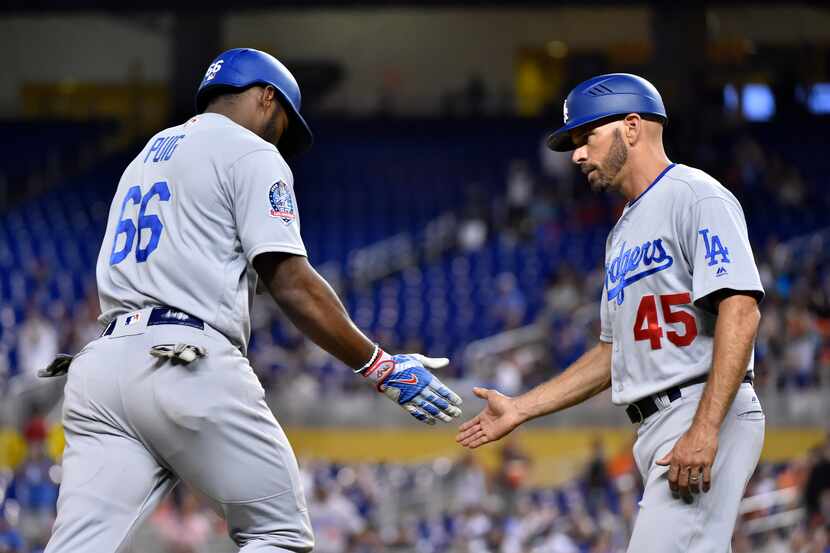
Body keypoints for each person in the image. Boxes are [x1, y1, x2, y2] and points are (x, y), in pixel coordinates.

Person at [43, 48, 462, 553]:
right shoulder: (251, 151)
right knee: (277, 533)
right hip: (181, 362)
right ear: (267, 98)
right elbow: (289, 280)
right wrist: (379, 366)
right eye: (285, 119)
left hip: (101, 368)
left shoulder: (145, 154)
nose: (282, 134)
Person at [457, 73, 765, 552]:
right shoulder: (621, 232)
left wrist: (705, 428)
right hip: (657, 422)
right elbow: (611, 354)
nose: (577, 154)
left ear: (633, 127)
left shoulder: (695, 194)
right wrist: (521, 408)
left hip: (703, 408)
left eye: (587, 136)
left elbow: (741, 310)